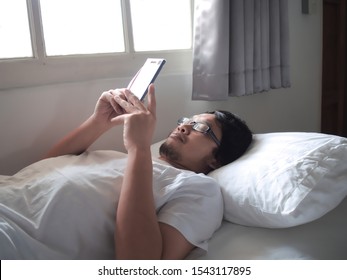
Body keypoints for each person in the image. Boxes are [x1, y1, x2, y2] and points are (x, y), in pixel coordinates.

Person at [0, 85, 252, 260]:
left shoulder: (199, 189)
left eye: (200, 127)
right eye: (186, 120)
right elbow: (38, 171)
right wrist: (99, 120)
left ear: (216, 160)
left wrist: (139, 147)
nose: (184, 126)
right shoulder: (121, 158)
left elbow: (140, 265)